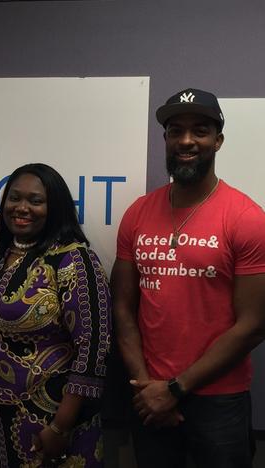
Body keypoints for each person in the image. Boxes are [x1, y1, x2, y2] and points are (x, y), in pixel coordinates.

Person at [112, 88, 265, 468]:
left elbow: (254, 325)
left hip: (219, 399)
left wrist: (176, 389)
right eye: (175, 130)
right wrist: (147, 387)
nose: (186, 140)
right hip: (147, 392)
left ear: (218, 140)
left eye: (200, 130)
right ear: (164, 138)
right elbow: (123, 307)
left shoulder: (246, 218)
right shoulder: (137, 213)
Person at [0, 163, 111, 467]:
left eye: (35, 201)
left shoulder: (74, 259)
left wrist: (60, 427)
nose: (22, 207)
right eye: (14, 198)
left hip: (50, 427)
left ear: (55, 207)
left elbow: (92, 351)